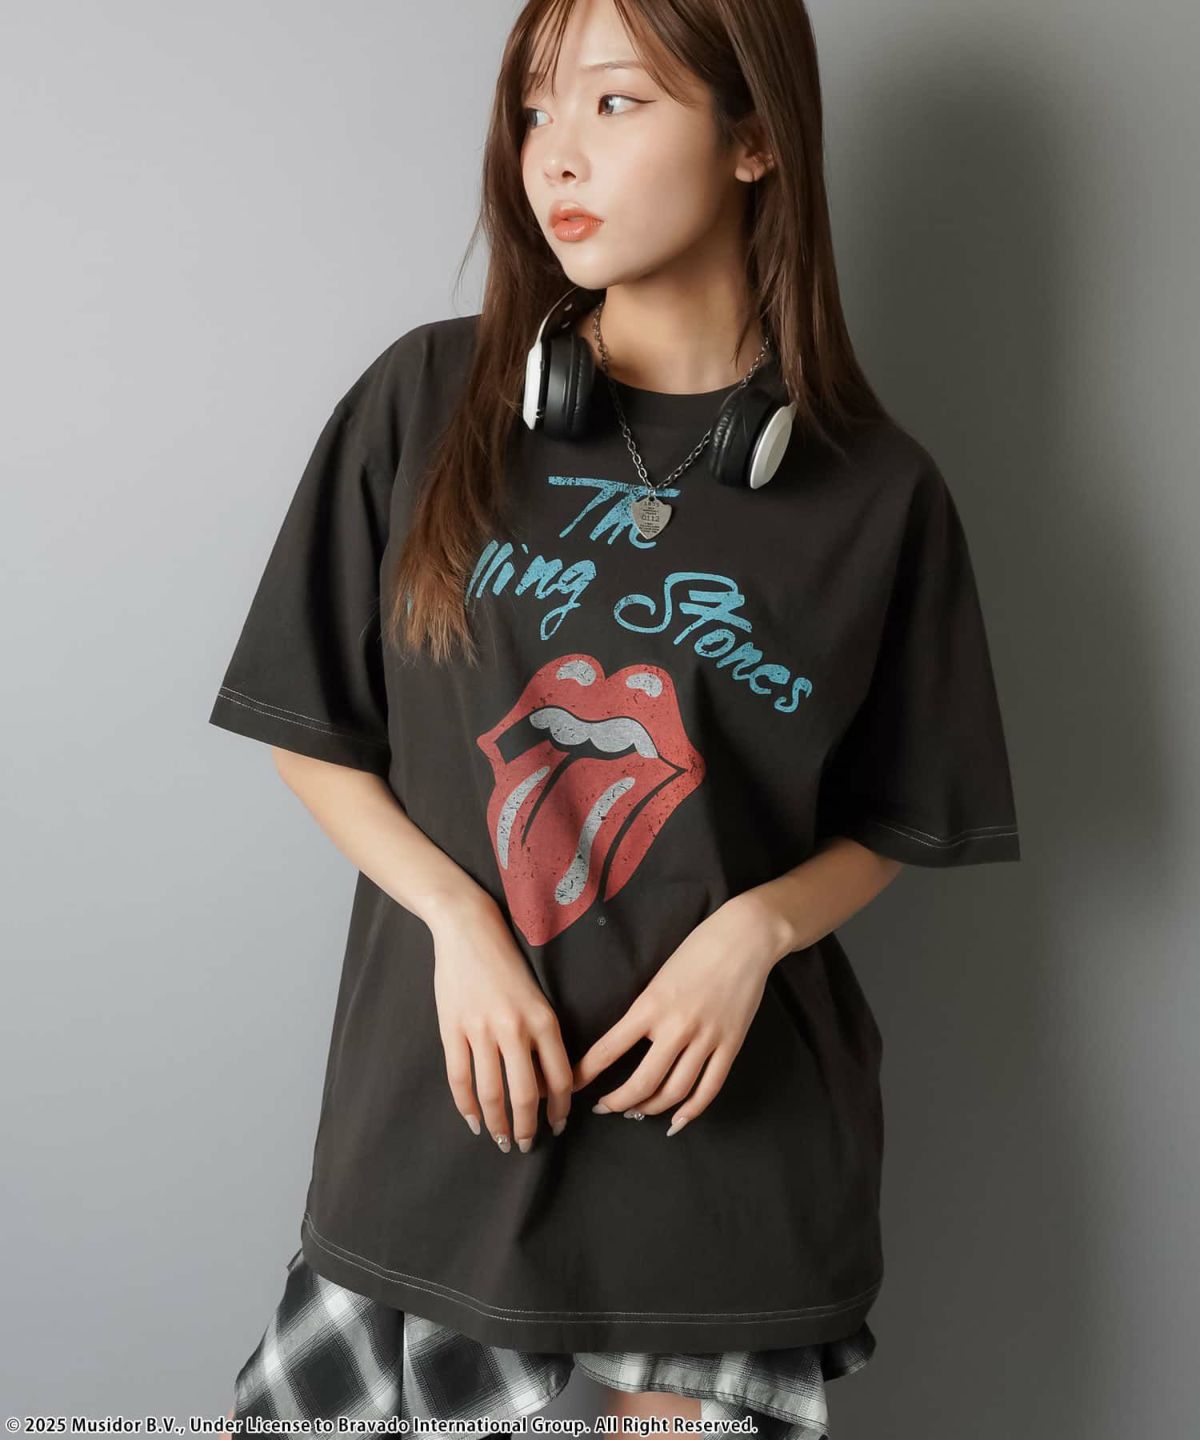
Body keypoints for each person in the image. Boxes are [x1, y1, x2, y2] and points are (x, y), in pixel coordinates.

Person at [210, 0, 1021, 1434]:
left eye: (615, 102)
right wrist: (458, 923)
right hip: (443, 1139)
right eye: (535, 108)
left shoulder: (877, 491)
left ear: (754, 140)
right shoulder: (425, 402)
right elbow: (311, 728)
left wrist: (753, 934)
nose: (555, 155)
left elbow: (898, 812)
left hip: (724, 1164)